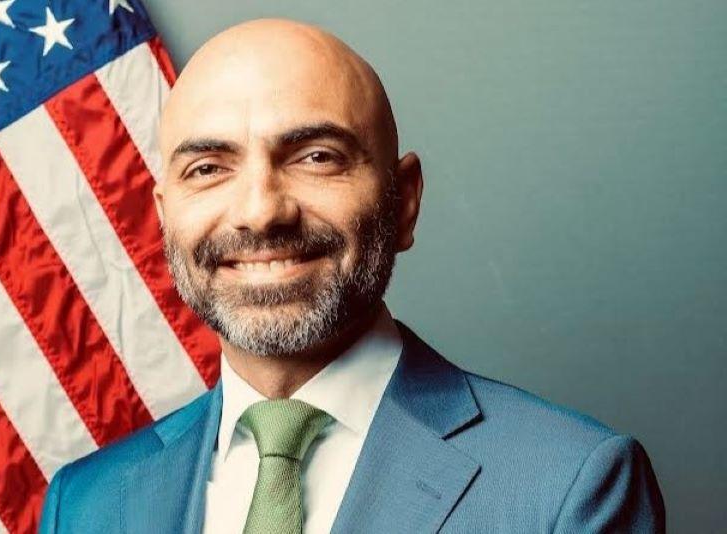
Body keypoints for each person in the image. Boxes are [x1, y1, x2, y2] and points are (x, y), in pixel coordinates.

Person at [38, 18, 665, 534]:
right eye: (208, 168)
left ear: (405, 203)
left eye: (316, 157)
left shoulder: (573, 487)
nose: (261, 211)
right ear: (164, 216)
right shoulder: (86, 505)